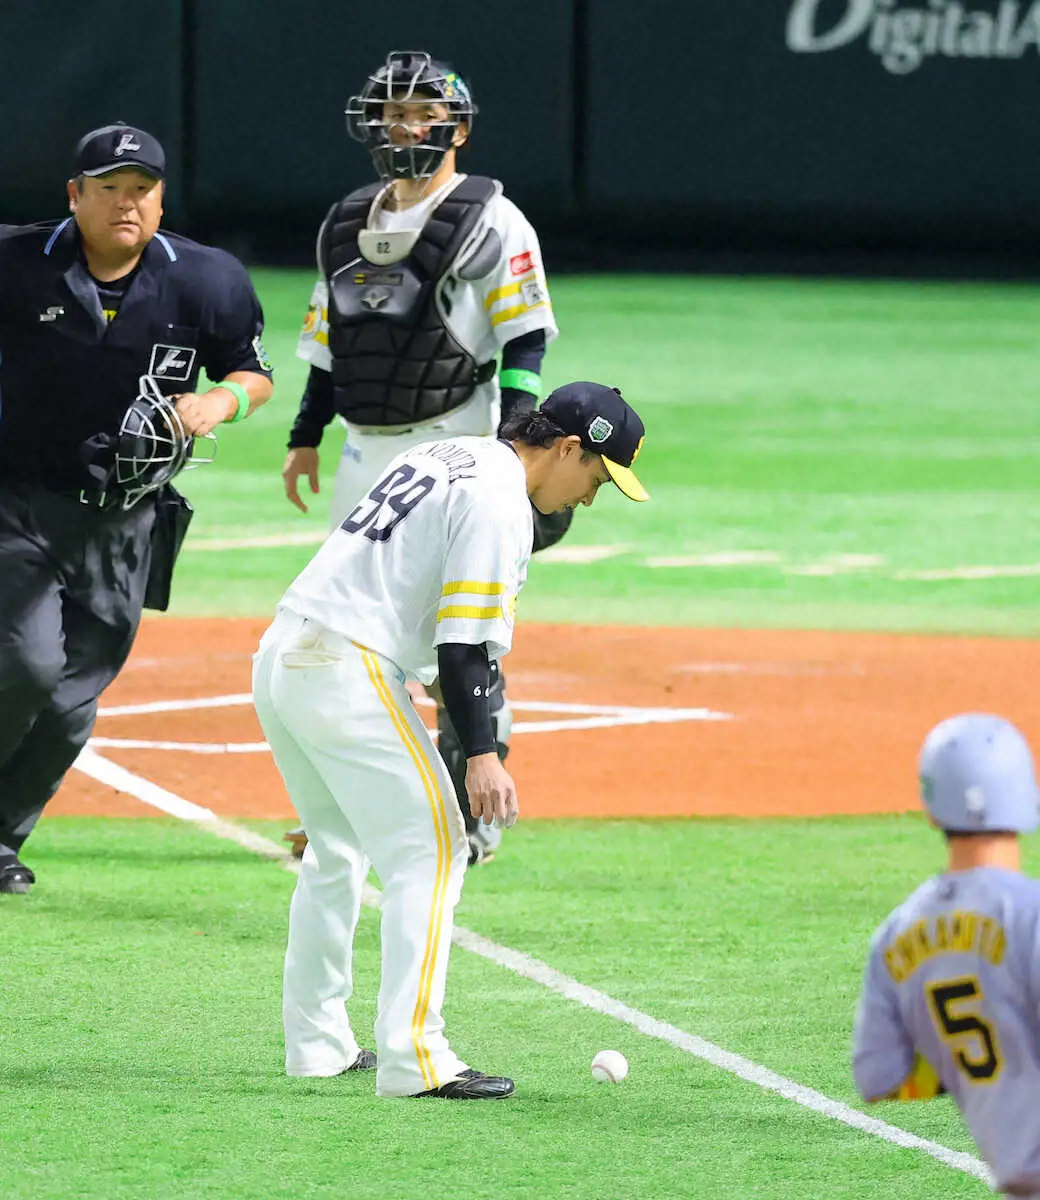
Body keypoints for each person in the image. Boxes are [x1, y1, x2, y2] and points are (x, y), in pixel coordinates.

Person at [254, 381, 649, 1097]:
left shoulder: (453, 454)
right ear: (567, 448)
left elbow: (424, 618)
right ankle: (417, 1059)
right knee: (434, 852)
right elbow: (466, 648)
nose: (590, 498)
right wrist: (483, 758)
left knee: (337, 849)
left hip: (284, 650)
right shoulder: (502, 505)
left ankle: (317, 1043)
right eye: (596, 476)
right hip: (346, 666)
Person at [281, 50, 568, 867]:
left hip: (456, 442)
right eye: (390, 112)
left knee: (462, 633)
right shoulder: (345, 221)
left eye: (419, 113)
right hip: (365, 453)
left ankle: (472, 808)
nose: (402, 126)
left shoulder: (490, 218)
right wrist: (307, 435)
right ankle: (345, 811)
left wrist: (515, 446)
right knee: (350, 635)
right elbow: (330, 343)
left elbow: (526, 336)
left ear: (457, 128)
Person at [0, 123, 274, 896]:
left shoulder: (207, 280)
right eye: (111, 188)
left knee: (70, 702)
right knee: (23, 665)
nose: (128, 203)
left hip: (128, 520)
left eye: (143, 189)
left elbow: (253, 372)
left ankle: (2, 838)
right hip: (19, 505)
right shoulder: (15, 263)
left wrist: (222, 400)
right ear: (75, 195)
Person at [852, 712, 1040, 1198]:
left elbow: (880, 1076)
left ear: (932, 809)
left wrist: (970, 1058)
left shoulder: (898, 934)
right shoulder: (1032, 915)